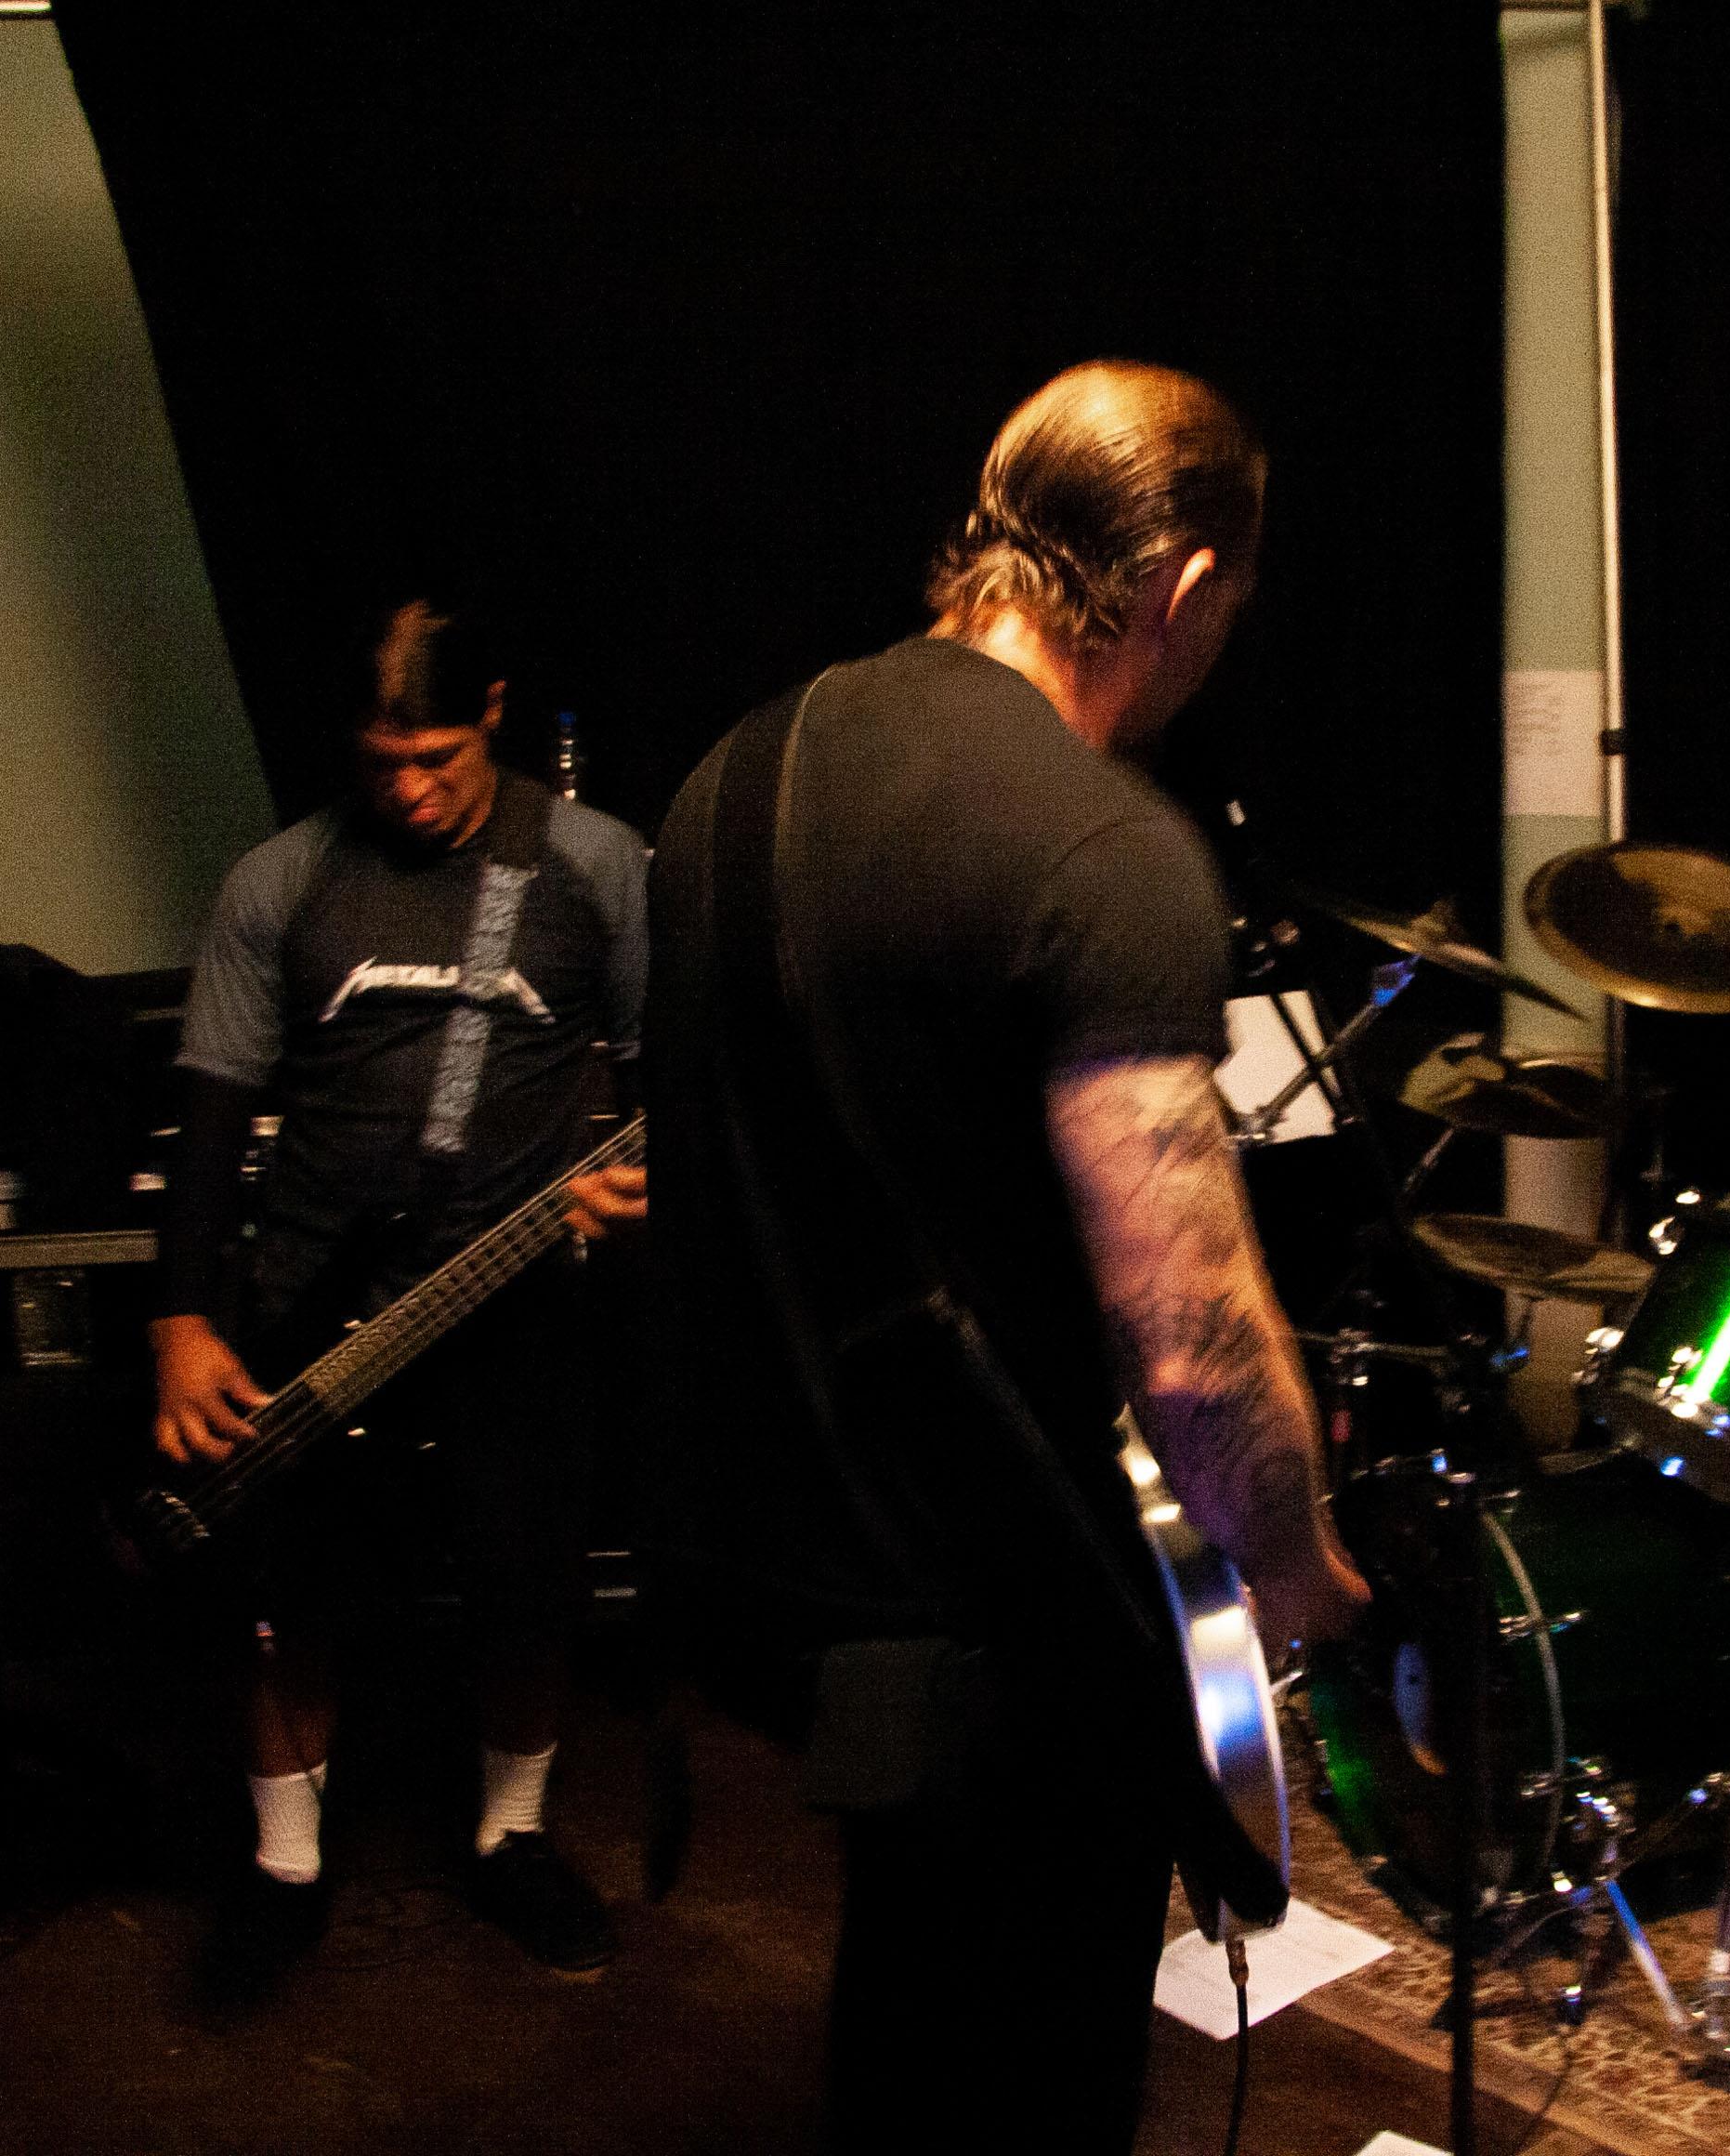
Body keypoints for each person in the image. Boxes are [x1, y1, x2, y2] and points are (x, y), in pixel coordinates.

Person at [642, 361, 1368, 2151]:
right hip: (1003, 1627)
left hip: (775, 1569)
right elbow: (1191, 1337)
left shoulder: (728, 779)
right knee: (1031, 2068)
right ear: (1181, 587)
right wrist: (1297, 1568)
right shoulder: (1106, 848)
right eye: (1228, 614)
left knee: (904, 2021)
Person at [151, 596, 652, 2005]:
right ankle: (284, 1867)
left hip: (518, 1295)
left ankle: (512, 1837)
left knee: (527, 1586)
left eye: (436, 757)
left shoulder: (597, 866)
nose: (411, 791)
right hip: (311, 1299)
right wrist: (180, 1323)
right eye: (382, 763)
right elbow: (210, 1121)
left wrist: (633, 1190)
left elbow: (671, 1082)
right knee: (286, 1596)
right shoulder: (281, 881)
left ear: (492, 709)